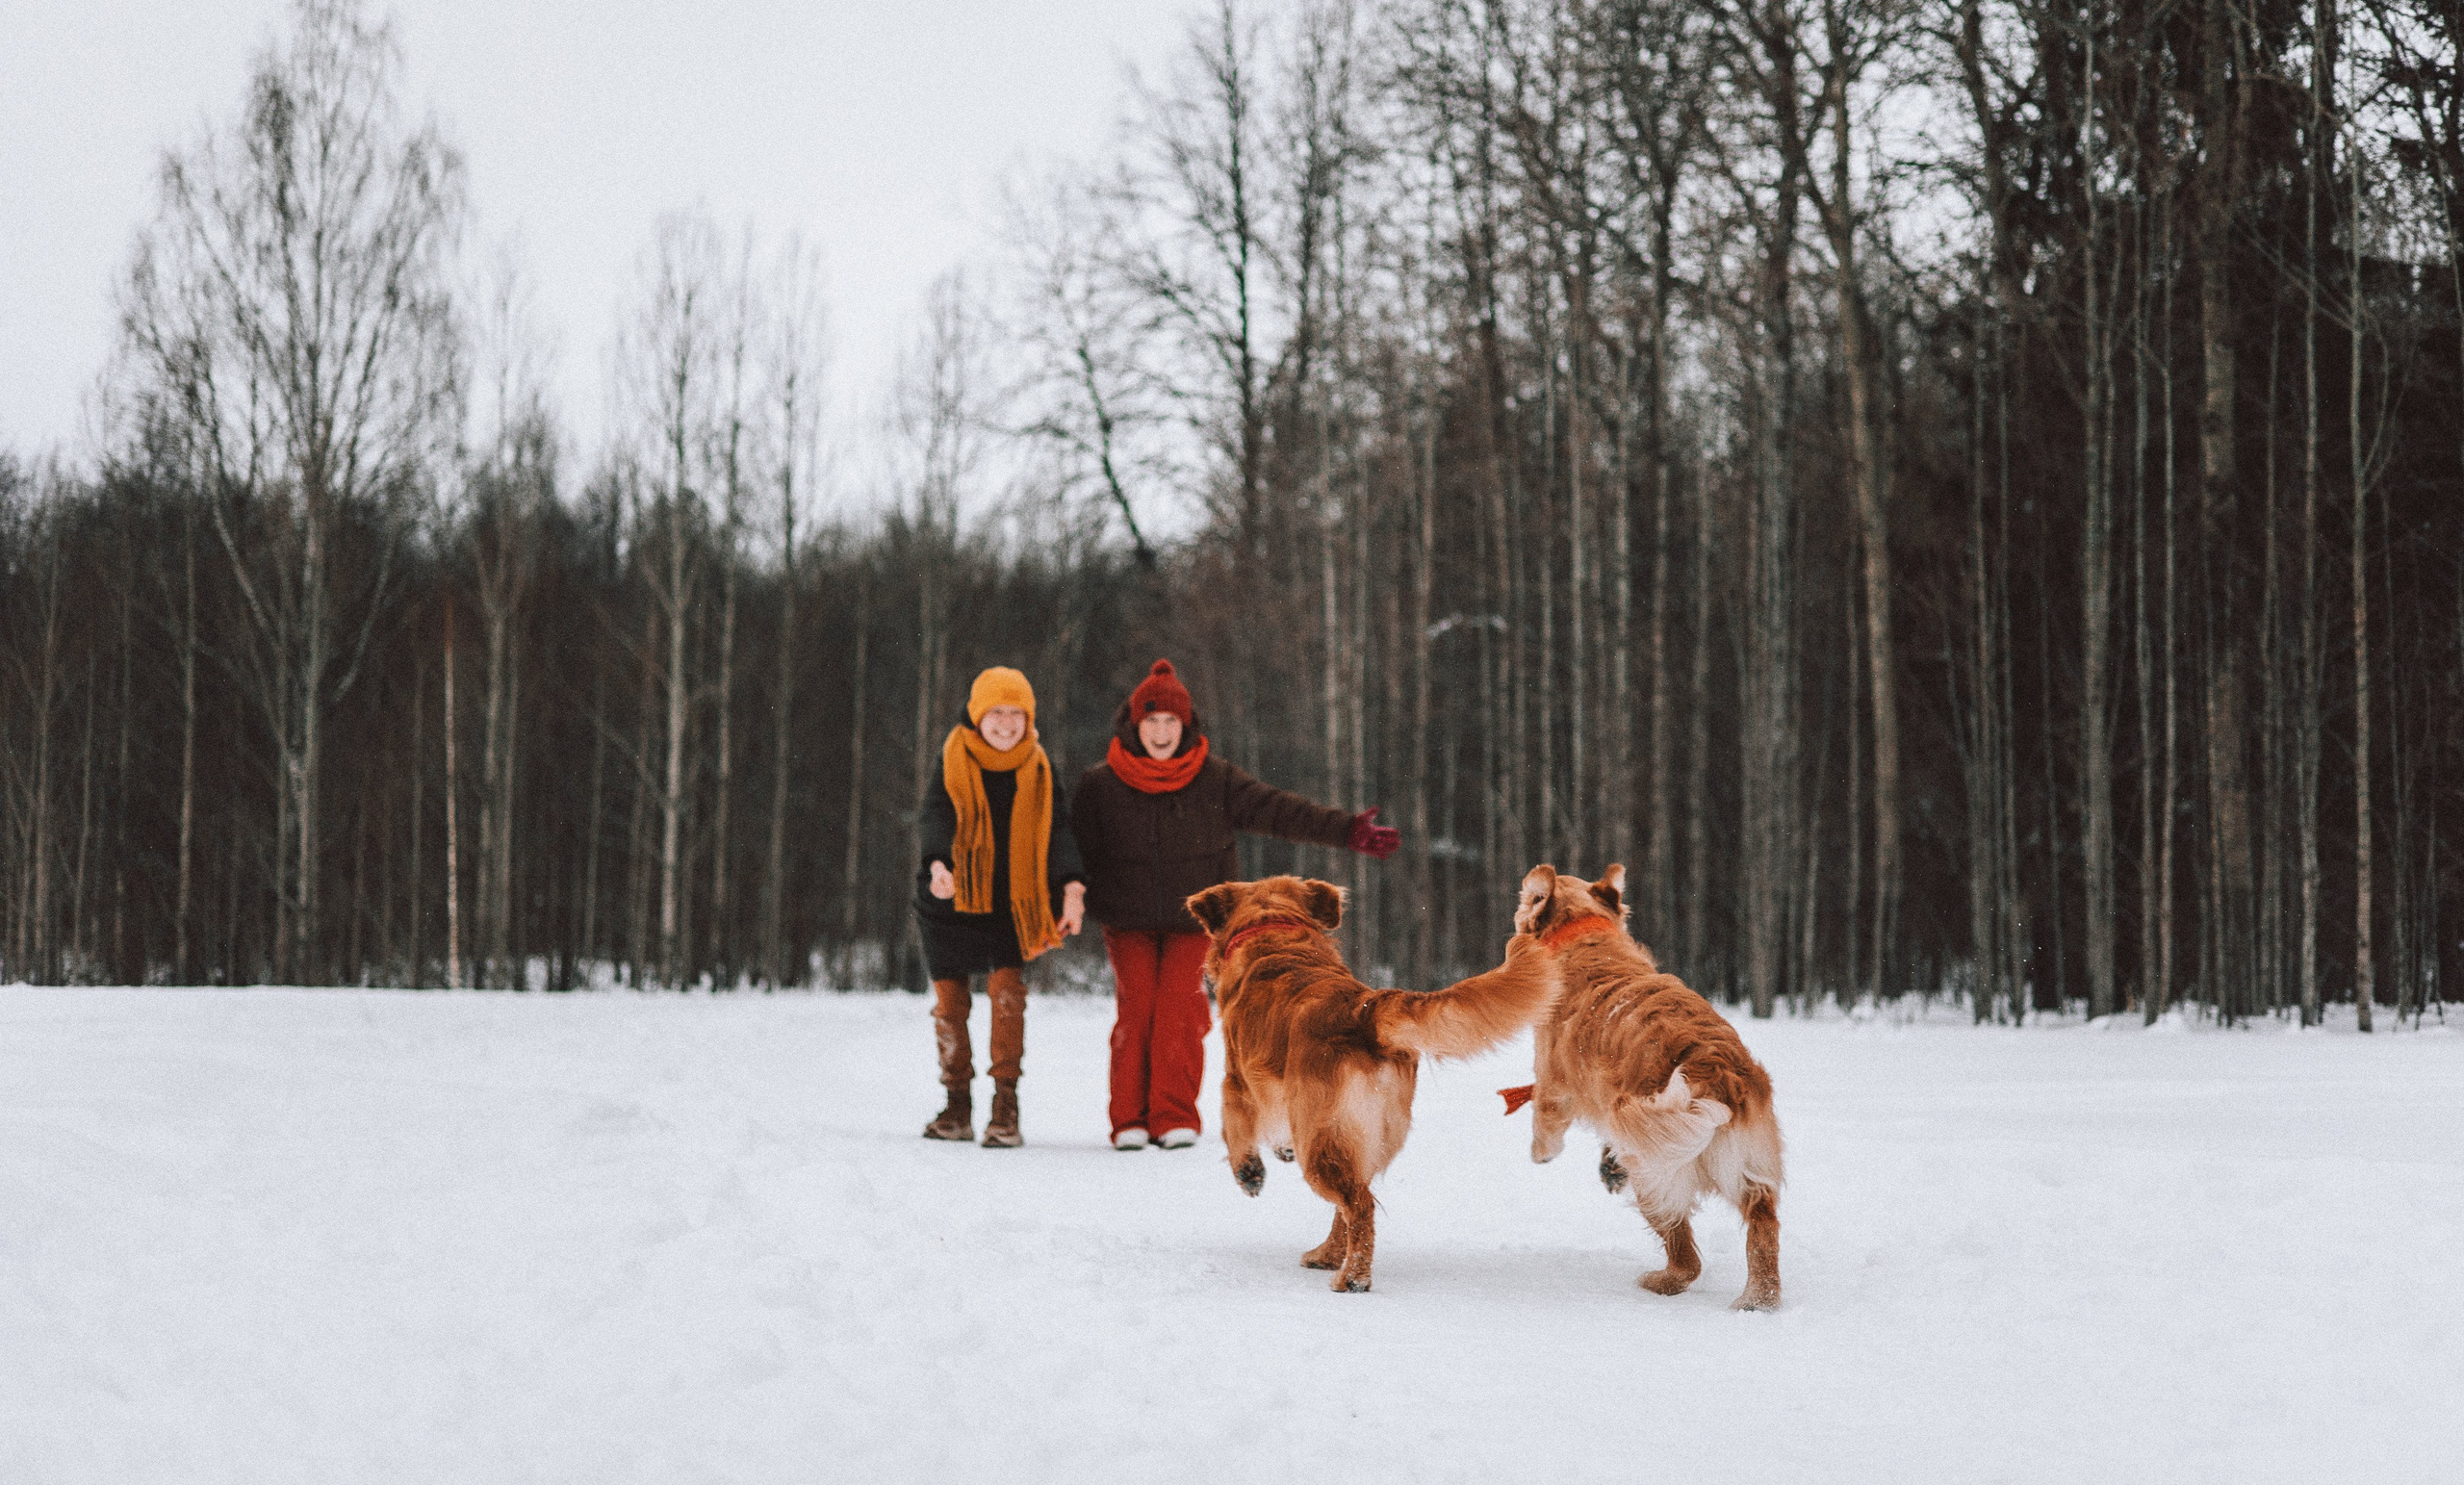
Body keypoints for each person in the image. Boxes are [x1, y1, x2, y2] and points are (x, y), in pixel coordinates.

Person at [1072, 659, 1399, 1151]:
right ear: (1133, 725)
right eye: (1151, 721)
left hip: (1197, 922)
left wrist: (1346, 829)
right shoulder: (1100, 784)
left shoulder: (1214, 778)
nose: (1161, 732)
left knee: (1181, 1009)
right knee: (1138, 1007)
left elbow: (1277, 809)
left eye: (1170, 722)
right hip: (1127, 918)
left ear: (1185, 726)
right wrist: (1062, 894)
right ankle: (1129, 1121)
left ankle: (1174, 1115)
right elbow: (1069, 847)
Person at [916, 666, 1086, 1148]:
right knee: (951, 1005)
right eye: (997, 712)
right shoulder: (953, 756)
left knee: (1007, 997)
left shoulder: (1038, 765)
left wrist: (1072, 887)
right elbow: (936, 813)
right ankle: (956, 1105)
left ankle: (1004, 1106)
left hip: (1011, 901)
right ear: (977, 715)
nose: (1007, 723)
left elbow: (1058, 831)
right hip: (948, 896)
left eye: (1017, 713)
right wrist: (938, 864)